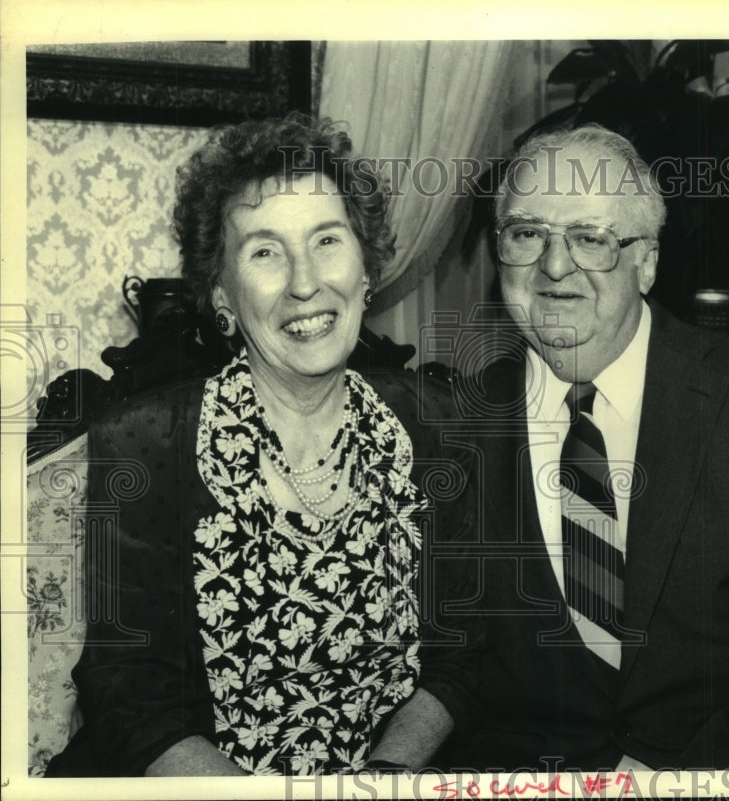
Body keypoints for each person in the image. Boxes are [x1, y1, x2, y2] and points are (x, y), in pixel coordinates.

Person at [430, 124, 729, 770]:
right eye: (528, 233)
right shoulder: (457, 426)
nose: (555, 267)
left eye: (591, 238)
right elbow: (452, 665)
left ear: (646, 262)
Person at [46, 115, 472, 777]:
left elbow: (463, 650)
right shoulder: (144, 444)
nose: (306, 283)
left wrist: (384, 778)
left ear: (366, 269)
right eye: (265, 252)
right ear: (223, 295)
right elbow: (128, 691)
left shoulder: (435, 425)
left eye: (327, 241)